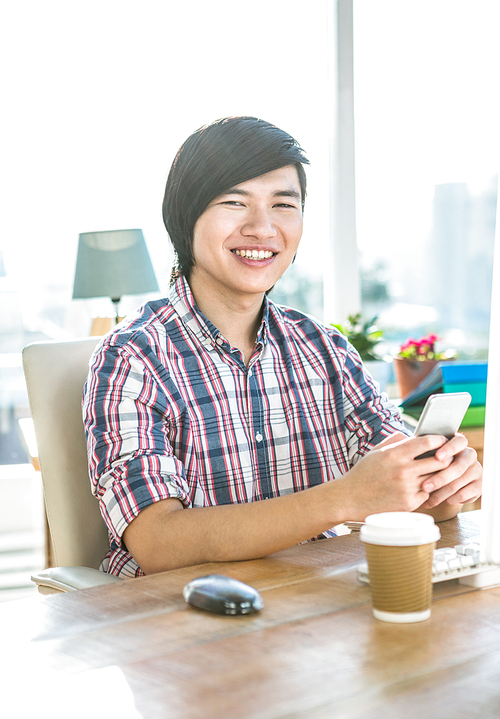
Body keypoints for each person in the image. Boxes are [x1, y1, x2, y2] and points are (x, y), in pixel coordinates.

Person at [83, 116, 482, 578]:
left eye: (283, 204)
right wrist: (345, 497)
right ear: (184, 217)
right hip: (183, 619)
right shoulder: (132, 356)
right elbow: (157, 541)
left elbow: (405, 492)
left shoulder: (323, 347)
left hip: (315, 607)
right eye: (235, 202)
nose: (263, 227)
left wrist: (441, 485)